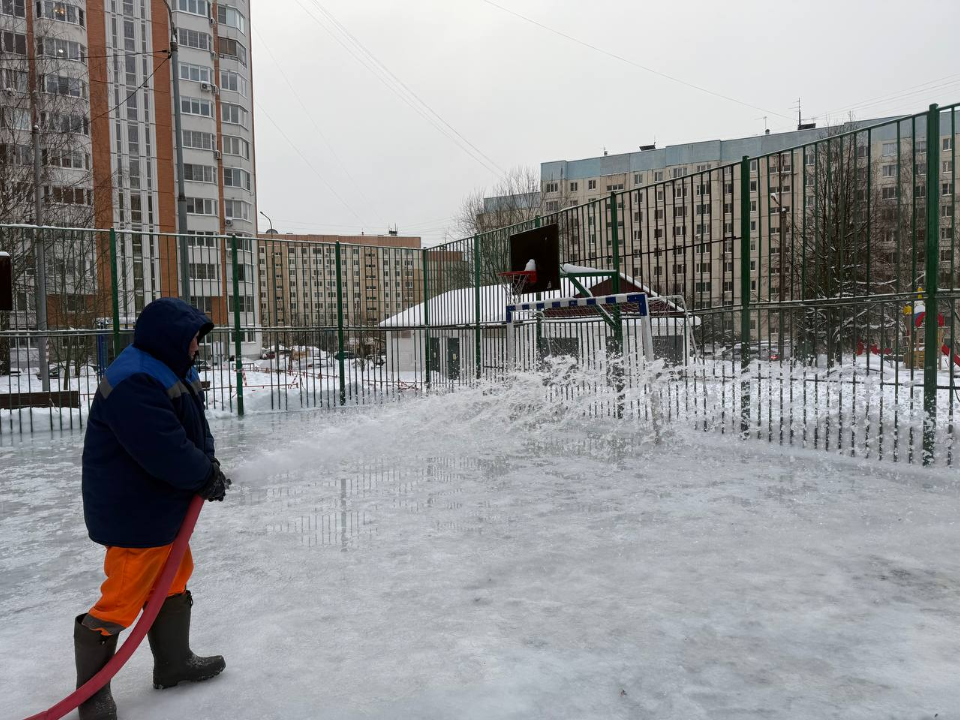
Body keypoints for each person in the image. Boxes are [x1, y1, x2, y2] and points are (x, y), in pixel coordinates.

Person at [75, 298, 231, 720]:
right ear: (172, 338)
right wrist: (201, 475)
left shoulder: (174, 366)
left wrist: (208, 464)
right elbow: (162, 448)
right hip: (135, 511)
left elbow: (196, 429)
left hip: (163, 505)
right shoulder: (134, 380)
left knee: (175, 576)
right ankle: (90, 694)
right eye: (194, 339)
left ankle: (174, 662)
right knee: (122, 596)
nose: (198, 346)